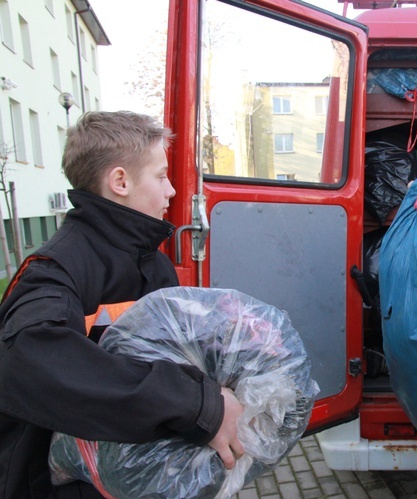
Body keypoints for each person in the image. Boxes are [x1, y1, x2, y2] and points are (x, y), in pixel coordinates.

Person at [0, 111, 245, 498]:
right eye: (161, 176)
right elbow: (27, 359)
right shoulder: (55, 271)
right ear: (120, 181)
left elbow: (180, 352)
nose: (172, 192)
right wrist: (198, 405)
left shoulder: (153, 262)